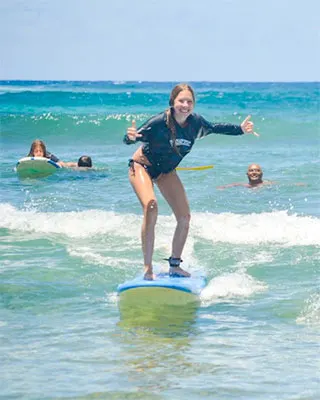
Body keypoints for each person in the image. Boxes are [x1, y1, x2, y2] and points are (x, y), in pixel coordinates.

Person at [123, 83, 259, 280]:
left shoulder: (196, 123)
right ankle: (147, 267)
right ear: (172, 102)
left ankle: (175, 265)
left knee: (184, 217)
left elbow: (215, 128)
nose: (185, 105)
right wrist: (129, 138)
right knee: (151, 205)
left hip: (166, 171)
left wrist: (240, 129)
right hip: (141, 166)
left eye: (189, 101)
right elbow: (134, 137)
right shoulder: (159, 121)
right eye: (181, 101)